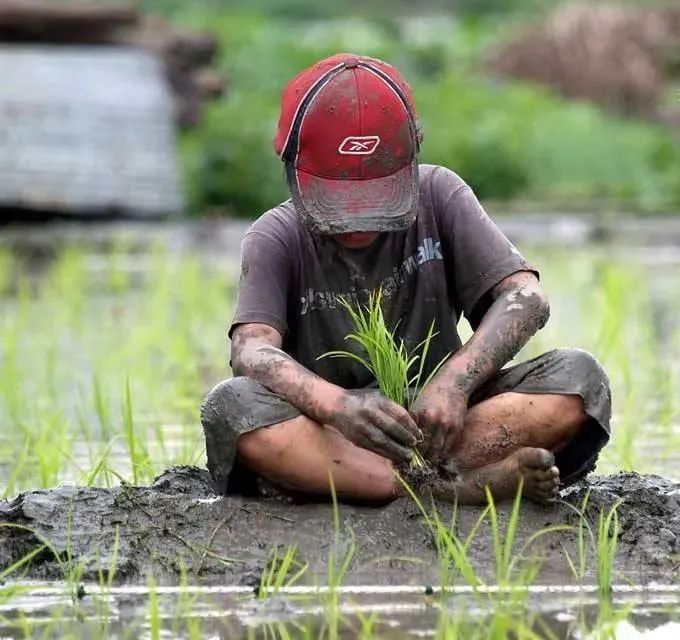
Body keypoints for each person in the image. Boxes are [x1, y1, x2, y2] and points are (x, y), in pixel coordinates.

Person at [201, 53, 611, 505]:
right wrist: (339, 408)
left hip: (439, 421)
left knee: (577, 377)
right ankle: (450, 487)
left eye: (376, 195)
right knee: (231, 406)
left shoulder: (440, 195)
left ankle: (407, 480)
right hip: (329, 434)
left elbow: (525, 297)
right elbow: (251, 350)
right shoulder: (274, 236)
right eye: (339, 199)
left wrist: (455, 383)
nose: (358, 220)